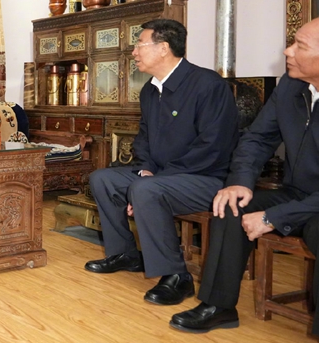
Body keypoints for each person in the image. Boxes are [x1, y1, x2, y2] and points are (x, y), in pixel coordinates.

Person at [170, 15, 319, 343]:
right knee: (230, 205)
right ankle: (219, 304)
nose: (287, 52)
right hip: (298, 190)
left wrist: (273, 218)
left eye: (300, 46)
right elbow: (257, 139)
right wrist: (240, 182)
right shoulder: (291, 86)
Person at [83, 19, 239, 306]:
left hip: (207, 179)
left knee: (146, 190)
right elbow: (144, 138)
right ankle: (125, 254)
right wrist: (146, 169)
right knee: (103, 179)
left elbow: (212, 148)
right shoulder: (150, 90)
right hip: (162, 177)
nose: (134, 52)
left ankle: (177, 276)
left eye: (139, 45)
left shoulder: (208, 85)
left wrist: (155, 180)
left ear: (164, 48)